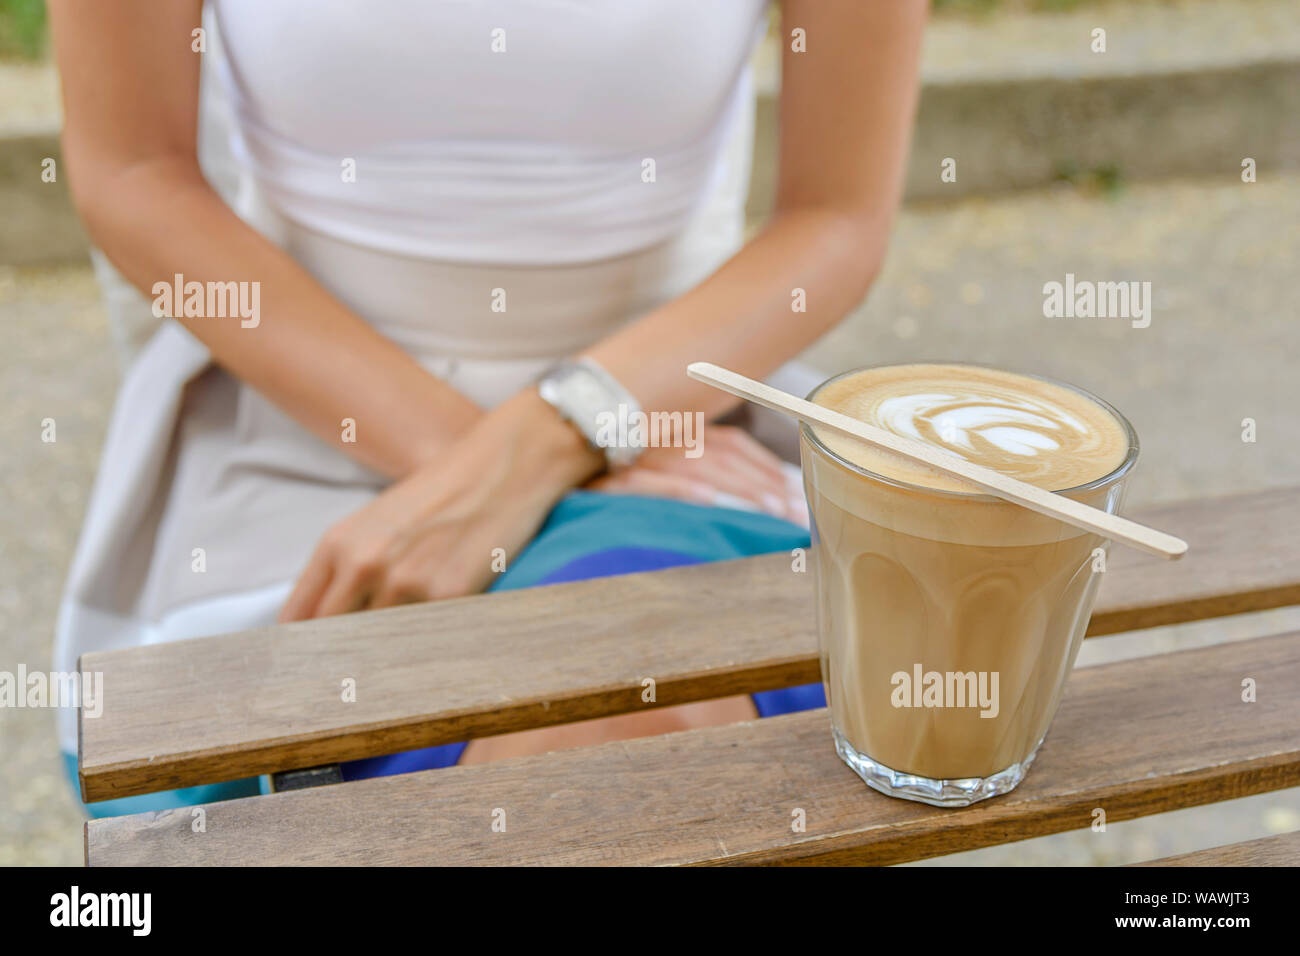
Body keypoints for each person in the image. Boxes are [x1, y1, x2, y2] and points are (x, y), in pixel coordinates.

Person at [48, 0, 927, 815]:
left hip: (671, 416)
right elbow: (133, 172)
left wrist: (556, 437)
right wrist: (488, 466)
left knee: (625, 720)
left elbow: (838, 215)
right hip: (299, 427)